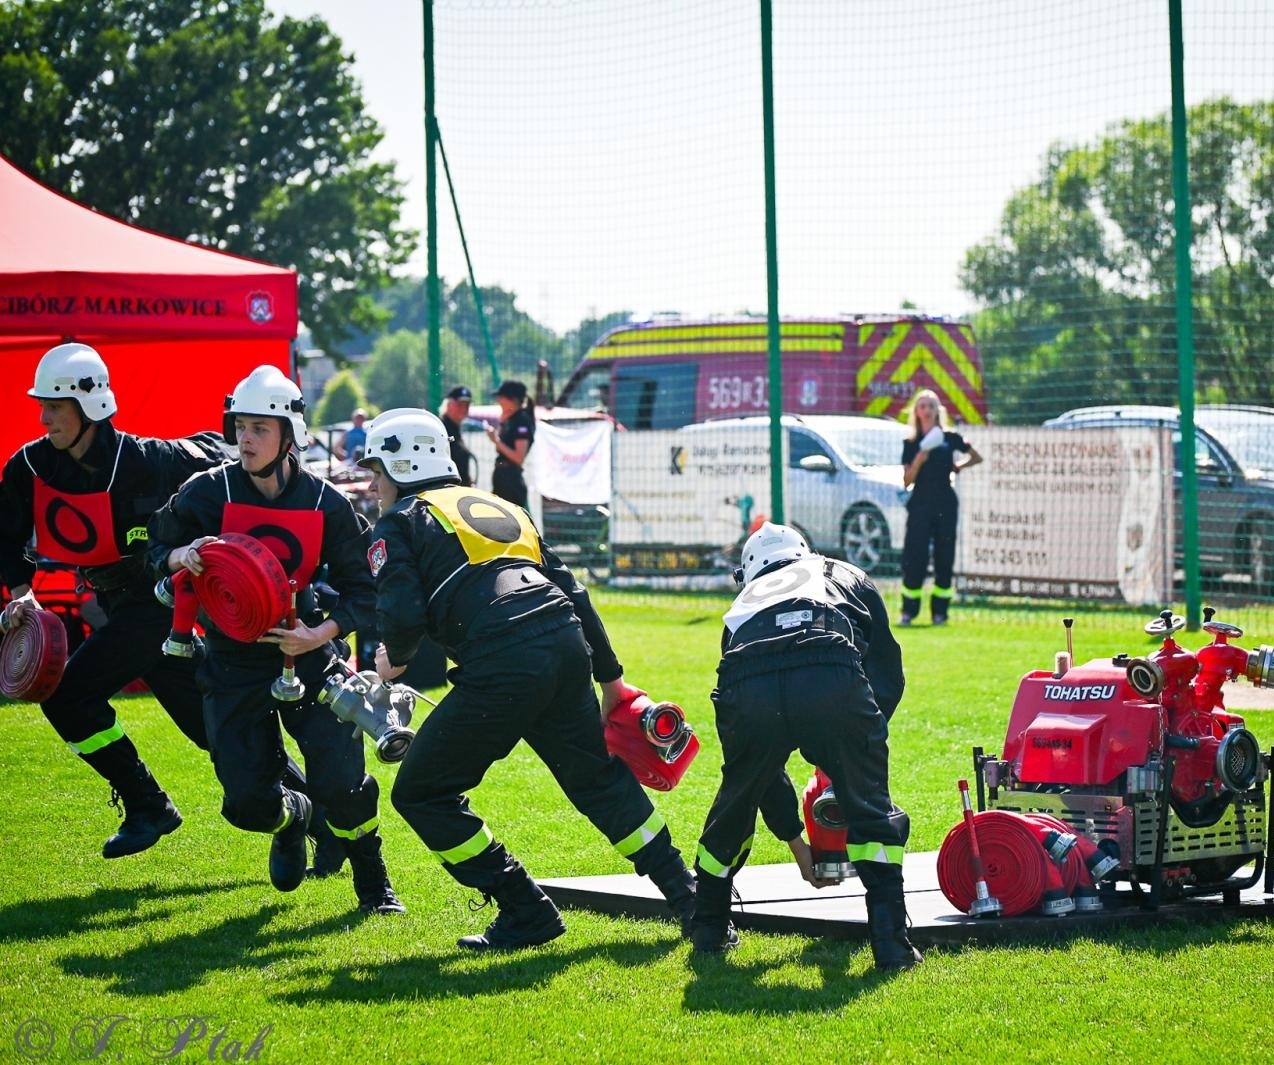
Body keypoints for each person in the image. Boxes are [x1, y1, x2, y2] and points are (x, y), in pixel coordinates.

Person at [358, 409, 697, 950]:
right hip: (562, 642)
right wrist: (611, 680)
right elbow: (573, 591)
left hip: (502, 656)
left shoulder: (401, 520)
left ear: (404, 463)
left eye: (376, 469)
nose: (373, 484)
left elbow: (401, 610)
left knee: (422, 792)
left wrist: (393, 658)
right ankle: (690, 897)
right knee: (597, 781)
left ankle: (525, 908)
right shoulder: (502, 506)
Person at [146, 365, 404, 914]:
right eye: (240, 426)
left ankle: (373, 880)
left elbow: (364, 591)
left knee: (343, 782)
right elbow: (154, 549)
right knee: (245, 803)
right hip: (230, 660)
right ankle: (294, 818)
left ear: (290, 435)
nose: (245, 439)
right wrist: (180, 556)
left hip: (309, 654)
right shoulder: (205, 491)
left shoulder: (326, 502)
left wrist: (319, 634)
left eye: (259, 428)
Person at [0, 342, 229, 857]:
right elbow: (5, 535)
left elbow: (218, 459)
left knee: (67, 697)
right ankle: (315, 812)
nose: (43, 418)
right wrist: (22, 595)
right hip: (118, 606)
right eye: (43, 406)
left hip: (157, 603)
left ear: (89, 406)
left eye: (54, 407)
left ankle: (148, 805)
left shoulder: (149, 459)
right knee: (215, 726)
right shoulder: (29, 466)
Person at [689, 523, 920, 971]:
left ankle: (709, 930)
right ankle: (891, 946)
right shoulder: (845, 574)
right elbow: (886, 676)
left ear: (749, 572)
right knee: (872, 809)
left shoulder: (741, 607)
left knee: (735, 801)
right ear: (805, 553)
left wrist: (795, 841)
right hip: (829, 668)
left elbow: (762, 778)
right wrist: (852, 755)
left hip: (748, 684)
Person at [899, 389, 982, 626]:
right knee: (915, 556)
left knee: (945, 556)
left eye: (931, 406)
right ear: (916, 412)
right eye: (922, 406)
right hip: (920, 504)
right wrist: (919, 459)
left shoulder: (950, 438)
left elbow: (976, 457)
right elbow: (907, 481)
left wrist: (959, 466)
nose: (927, 410)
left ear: (938, 411)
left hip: (945, 503)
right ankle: (909, 612)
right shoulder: (911, 443)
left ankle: (940, 612)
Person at [490, 380, 536, 509]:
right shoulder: (510, 419)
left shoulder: (521, 420)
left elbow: (518, 457)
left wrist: (496, 440)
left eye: (501, 397)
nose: (498, 401)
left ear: (513, 400)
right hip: (503, 478)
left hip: (511, 482)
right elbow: (500, 449)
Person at [439, 385, 474, 485]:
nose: (463, 409)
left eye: (467, 405)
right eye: (459, 404)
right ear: (449, 404)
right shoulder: (441, 429)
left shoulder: (454, 428)